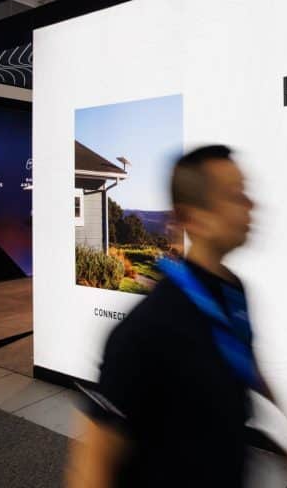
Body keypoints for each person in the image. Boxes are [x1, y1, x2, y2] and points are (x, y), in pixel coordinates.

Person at [65, 144, 271, 487]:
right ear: (194, 219)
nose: (251, 205)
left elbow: (241, 357)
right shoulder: (146, 330)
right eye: (235, 196)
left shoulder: (233, 290)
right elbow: (91, 464)